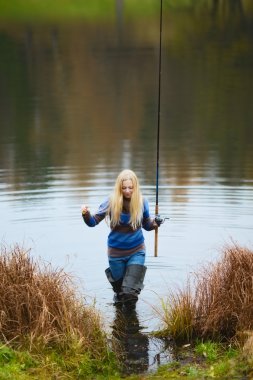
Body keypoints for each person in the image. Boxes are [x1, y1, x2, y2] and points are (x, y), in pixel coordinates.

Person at [81, 169, 162, 309]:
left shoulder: (142, 201)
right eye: (124, 188)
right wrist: (86, 214)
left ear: (135, 187)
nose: (128, 191)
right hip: (116, 254)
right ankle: (120, 316)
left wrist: (156, 222)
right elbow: (92, 222)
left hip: (137, 251)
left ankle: (130, 328)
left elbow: (147, 225)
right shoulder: (111, 201)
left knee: (130, 294)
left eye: (131, 188)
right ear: (119, 188)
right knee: (120, 294)